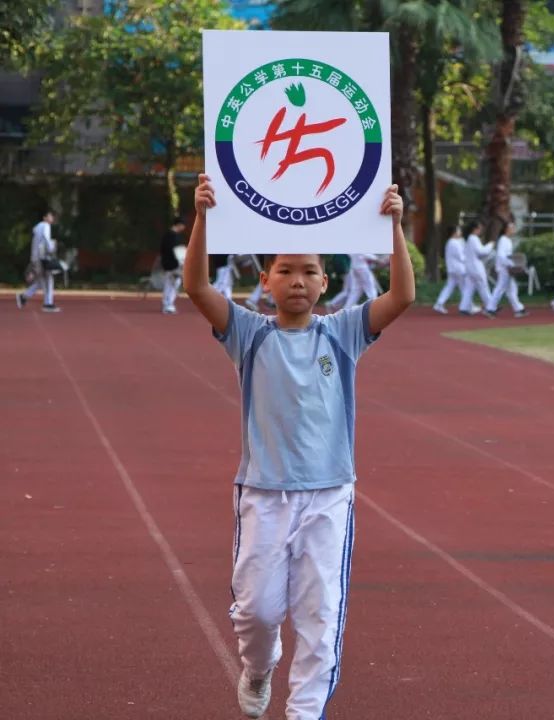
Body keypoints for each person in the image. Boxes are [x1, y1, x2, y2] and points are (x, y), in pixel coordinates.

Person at [182, 174, 414, 720]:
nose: (297, 281)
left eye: (309, 271)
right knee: (257, 610)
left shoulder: (343, 333)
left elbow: (402, 295)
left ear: (325, 282)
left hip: (329, 494)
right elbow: (196, 288)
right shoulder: (249, 333)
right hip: (263, 494)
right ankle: (259, 668)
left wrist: (396, 226)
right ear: (266, 280)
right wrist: (202, 218)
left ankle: (304, 711)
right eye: (285, 270)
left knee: (320, 615)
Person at [15, 209, 61, 312]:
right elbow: (46, 240)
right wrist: (51, 249)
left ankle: (24, 296)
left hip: (36, 258)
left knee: (41, 281)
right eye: (49, 216)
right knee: (48, 280)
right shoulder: (45, 226)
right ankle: (47, 304)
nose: (51, 218)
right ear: (44, 217)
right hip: (42, 259)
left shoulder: (37, 228)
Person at [484, 219, 528, 318]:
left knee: (511, 289)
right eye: (511, 227)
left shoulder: (507, 240)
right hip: (504, 269)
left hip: (507, 268)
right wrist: (510, 264)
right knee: (500, 289)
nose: (513, 229)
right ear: (506, 230)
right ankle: (490, 308)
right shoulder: (504, 240)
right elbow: (501, 256)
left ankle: (519, 309)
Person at [458, 220, 493, 316]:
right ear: (475, 229)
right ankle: (491, 306)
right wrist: (490, 245)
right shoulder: (473, 238)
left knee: (469, 288)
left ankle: (464, 307)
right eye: (479, 228)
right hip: (476, 267)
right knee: (483, 287)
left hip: (469, 267)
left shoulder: (469, 239)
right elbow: (481, 252)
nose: (480, 230)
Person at [433, 225, 467, 314]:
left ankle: (439, 303)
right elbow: (461, 257)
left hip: (452, 268)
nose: (460, 232)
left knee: (450, 286)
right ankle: (467, 305)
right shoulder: (455, 243)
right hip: (458, 269)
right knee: (464, 288)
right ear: (454, 232)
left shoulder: (451, 242)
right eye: (459, 231)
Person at [160, 216, 187, 314]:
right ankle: (168, 304)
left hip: (172, 264)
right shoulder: (172, 236)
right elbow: (175, 251)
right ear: (179, 225)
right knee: (171, 283)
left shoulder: (171, 236)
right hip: (172, 264)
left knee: (174, 283)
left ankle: (169, 303)